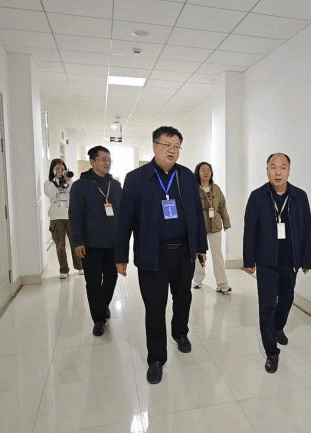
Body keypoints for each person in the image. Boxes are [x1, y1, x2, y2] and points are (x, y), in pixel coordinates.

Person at [115, 126, 207, 384]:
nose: (172, 151)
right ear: (154, 146)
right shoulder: (136, 179)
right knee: (155, 307)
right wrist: (120, 255)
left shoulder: (186, 176)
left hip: (183, 253)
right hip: (152, 255)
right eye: (167, 145)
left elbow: (197, 214)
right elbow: (124, 220)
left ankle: (180, 332)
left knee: (183, 297)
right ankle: (156, 358)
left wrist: (200, 247)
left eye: (176, 146)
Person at [243, 153, 311, 373]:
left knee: (287, 299)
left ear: (289, 171)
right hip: (266, 261)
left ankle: (278, 327)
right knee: (267, 305)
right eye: (273, 167)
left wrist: (306, 258)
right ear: (267, 171)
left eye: (283, 167)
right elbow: (250, 230)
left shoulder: (300, 196)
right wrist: (248, 260)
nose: (278, 171)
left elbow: (307, 229)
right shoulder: (257, 197)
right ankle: (271, 352)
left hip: (290, 261)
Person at [69, 146, 122, 337]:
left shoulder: (115, 185)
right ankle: (98, 320)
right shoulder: (80, 186)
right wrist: (78, 241)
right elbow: (75, 215)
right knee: (93, 283)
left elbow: (122, 213)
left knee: (111, 278)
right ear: (92, 162)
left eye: (109, 159)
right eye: (103, 159)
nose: (107, 163)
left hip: (113, 243)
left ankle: (102, 305)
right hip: (90, 244)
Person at [192, 162, 232, 293]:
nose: (206, 172)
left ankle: (222, 282)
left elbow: (222, 206)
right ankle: (197, 279)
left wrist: (226, 222)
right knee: (200, 254)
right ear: (198, 172)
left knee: (217, 254)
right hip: (199, 227)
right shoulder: (193, 189)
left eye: (208, 170)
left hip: (215, 226)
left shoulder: (216, 188)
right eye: (203, 170)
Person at [44, 158, 83, 279]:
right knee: (60, 245)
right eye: (57, 169)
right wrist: (57, 180)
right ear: (53, 170)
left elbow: (75, 194)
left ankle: (80, 267)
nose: (61, 171)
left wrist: (67, 181)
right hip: (56, 217)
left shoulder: (71, 181)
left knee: (75, 243)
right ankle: (64, 270)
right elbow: (51, 195)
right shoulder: (48, 183)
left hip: (71, 216)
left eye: (62, 168)